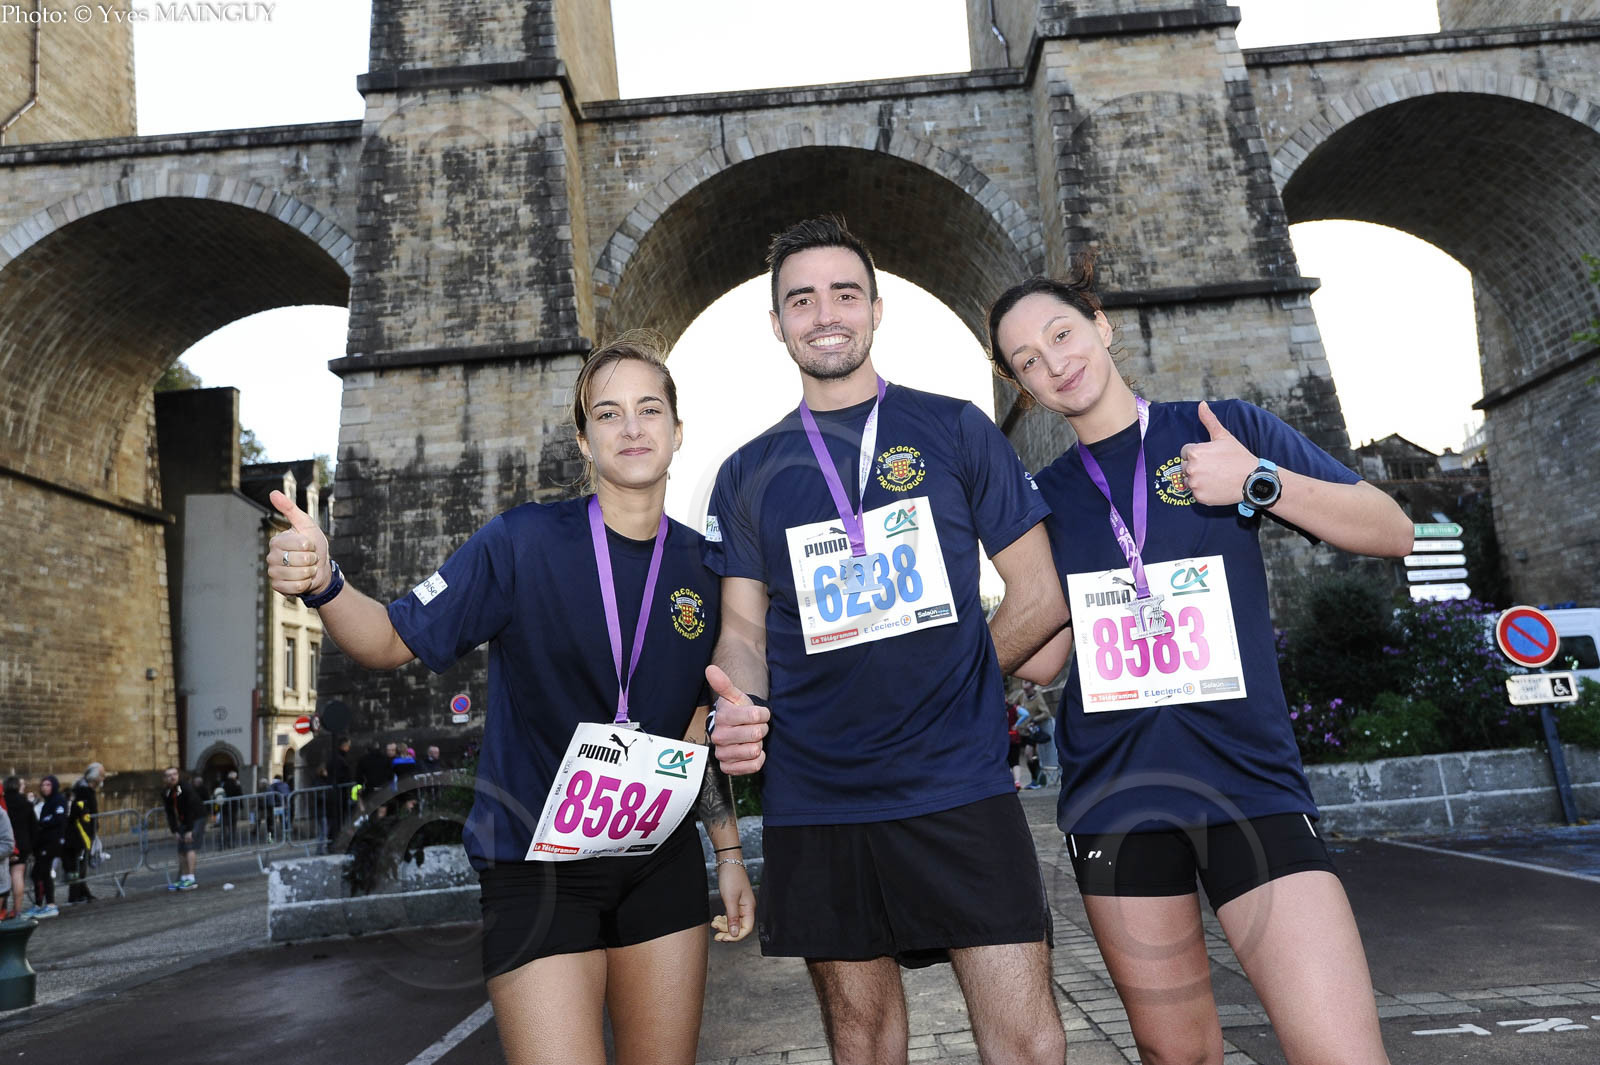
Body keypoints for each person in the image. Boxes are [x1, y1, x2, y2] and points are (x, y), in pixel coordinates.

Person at [264, 336, 754, 1065]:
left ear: (678, 430)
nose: (631, 427)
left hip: (659, 862)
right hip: (536, 868)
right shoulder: (521, 542)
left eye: (650, 409)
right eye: (608, 413)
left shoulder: (707, 566)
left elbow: (695, 727)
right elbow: (388, 637)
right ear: (584, 441)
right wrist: (326, 583)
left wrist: (729, 852)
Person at [988, 261, 1413, 1065]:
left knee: (1342, 1052)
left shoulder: (1221, 429)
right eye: (1027, 361)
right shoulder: (1042, 497)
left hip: (1249, 782)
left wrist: (1256, 480)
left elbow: (1391, 528)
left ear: (1101, 324)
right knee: (1177, 1054)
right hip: (1117, 802)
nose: (1054, 363)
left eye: (1062, 333)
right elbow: (1044, 662)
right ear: (1023, 387)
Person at [704, 217, 1070, 1065]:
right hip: (819, 794)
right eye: (802, 299)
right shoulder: (746, 471)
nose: (825, 313)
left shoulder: (956, 428)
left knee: (1028, 1041)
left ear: (876, 308)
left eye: (845, 293)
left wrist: (957, 678)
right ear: (777, 323)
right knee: (862, 1042)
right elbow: (743, 631)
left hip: (957, 780)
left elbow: (1041, 593)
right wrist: (742, 705)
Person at [162, 766, 205, 891]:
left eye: (175, 774)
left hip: (196, 817)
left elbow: (190, 808)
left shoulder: (184, 788)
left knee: (189, 845)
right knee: (181, 849)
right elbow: (169, 812)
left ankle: (191, 879)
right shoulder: (167, 791)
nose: (173, 777)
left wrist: (190, 830)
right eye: (169, 775)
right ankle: (184, 878)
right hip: (184, 820)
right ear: (165, 778)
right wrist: (174, 830)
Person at [66, 762, 104, 904]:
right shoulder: (83, 791)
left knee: (81, 865)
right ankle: (75, 895)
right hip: (80, 833)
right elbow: (80, 813)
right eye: (101, 775)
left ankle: (83, 892)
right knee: (78, 865)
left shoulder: (86, 790)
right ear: (94, 777)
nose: (103, 778)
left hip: (86, 833)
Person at [30, 775, 66, 917]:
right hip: (44, 842)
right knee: (37, 873)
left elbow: (58, 819)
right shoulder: (47, 803)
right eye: (43, 785)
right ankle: (39, 904)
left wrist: (43, 822)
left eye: (48, 785)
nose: (44, 787)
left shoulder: (58, 800)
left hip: (52, 842)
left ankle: (51, 905)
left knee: (44, 872)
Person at [0, 779, 27, 920]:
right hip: (20, 845)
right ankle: (14, 911)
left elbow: (8, 843)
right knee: (17, 875)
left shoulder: (2, 812)